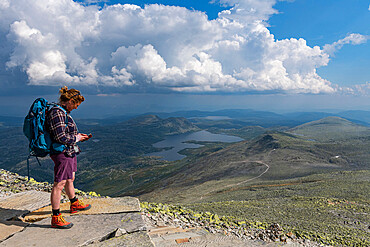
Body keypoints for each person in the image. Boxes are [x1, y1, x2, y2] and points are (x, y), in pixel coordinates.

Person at [46, 86, 92, 229]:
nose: (77, 108)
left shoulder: (63, 112)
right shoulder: (57, 113)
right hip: (62, 153)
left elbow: (66, 134)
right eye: (76, 104)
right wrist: (77, 138)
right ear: (70, 101)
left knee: (70, 178)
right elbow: (60, 136)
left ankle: (74, 203)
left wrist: (78, 138)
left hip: (69, 151)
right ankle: (56, 217)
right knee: (59, 184)